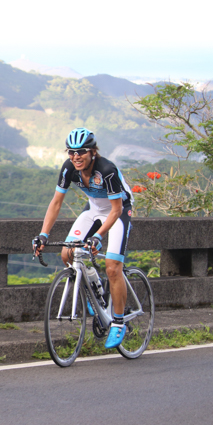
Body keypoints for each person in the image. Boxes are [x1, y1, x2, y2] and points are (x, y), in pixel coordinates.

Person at [33, 127, 133, 349]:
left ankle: (118, 322)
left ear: (93, 152)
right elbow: (56, 202)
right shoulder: (69, 168)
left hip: (119, 210)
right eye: (71, 152)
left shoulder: (107, 169)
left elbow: (116, 210)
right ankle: (95, 288)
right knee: (67, 253)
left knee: (113, 267)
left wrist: (98, 236)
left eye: (81, 152)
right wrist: (43, 234)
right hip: (95, 209)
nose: (75, 157)